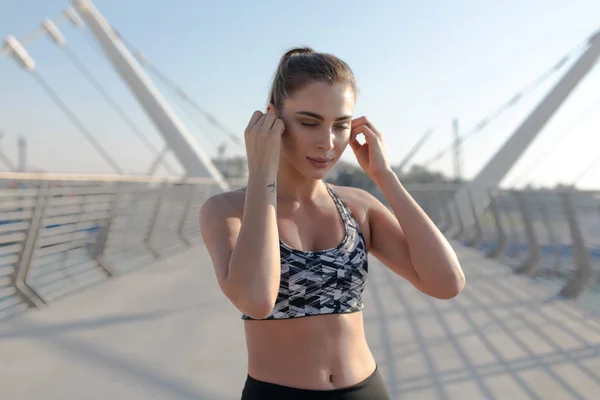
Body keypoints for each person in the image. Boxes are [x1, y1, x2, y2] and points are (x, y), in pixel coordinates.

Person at [199, 46, 466, 400]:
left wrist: (384, 176)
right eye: (310, 123)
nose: (327, 143)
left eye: (340, 125)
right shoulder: (228, 210)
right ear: (273, 119)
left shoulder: (357, 207)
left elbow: (447, 282)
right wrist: (262, 172)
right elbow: (256, 300)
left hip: (366, 390)